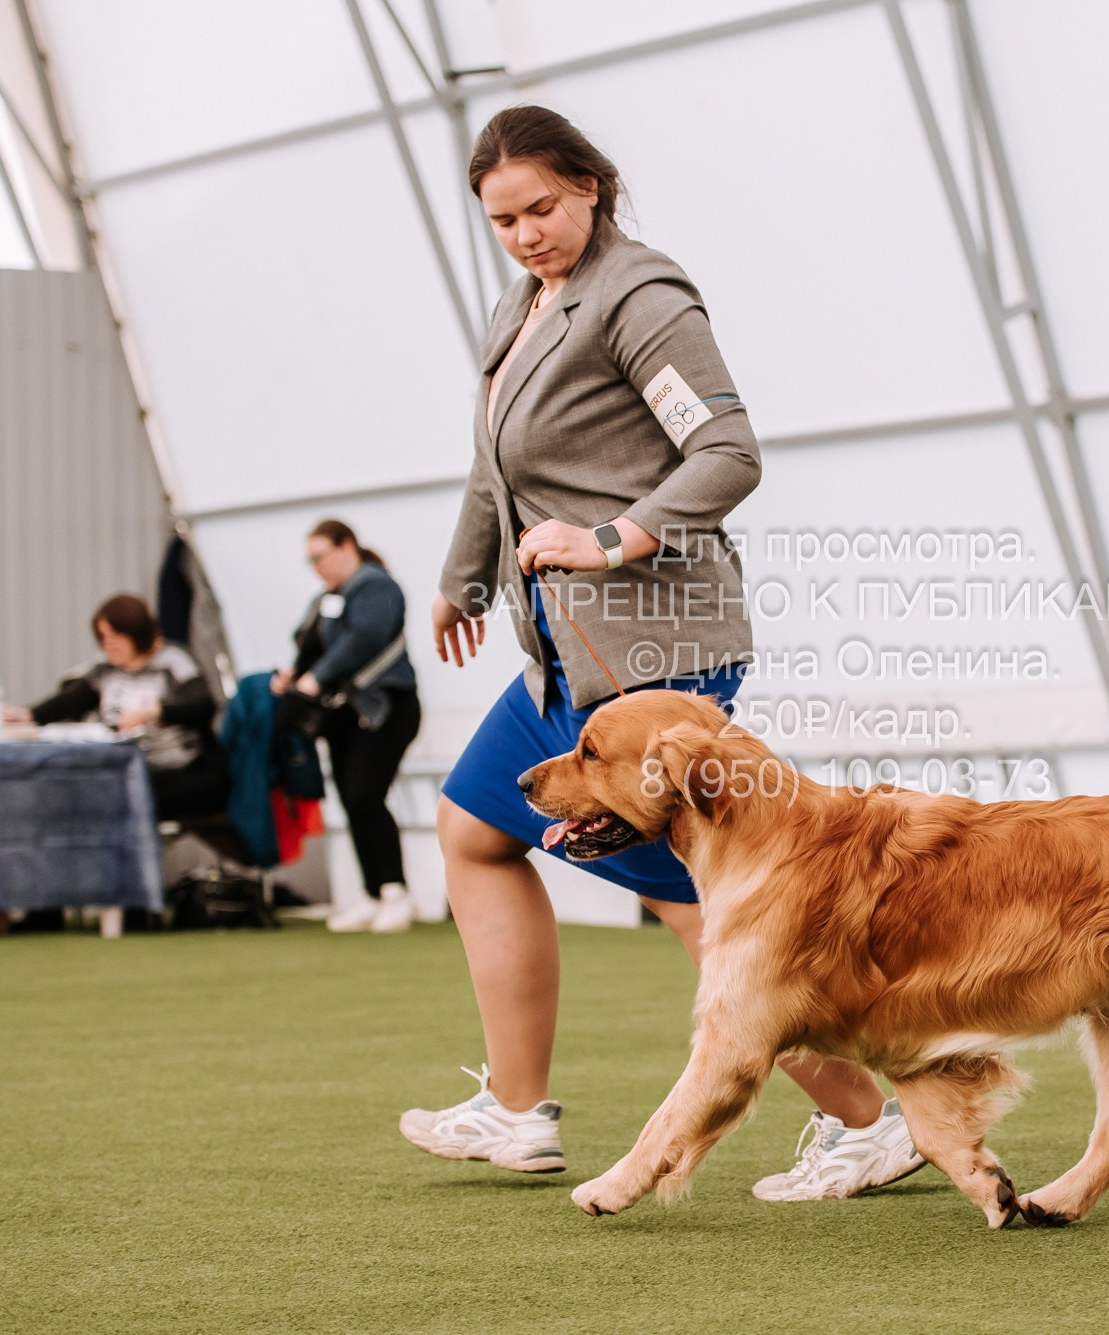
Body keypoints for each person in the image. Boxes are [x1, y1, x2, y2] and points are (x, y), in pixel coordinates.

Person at [400, 105, 922, 1201]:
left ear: (592, 185)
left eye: (542, 206)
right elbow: (493, 469)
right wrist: (462, 577)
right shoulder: (524, 306)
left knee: (707, 913)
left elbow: (727, 453)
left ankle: (878, 1122)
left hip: (660, 658)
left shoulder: (640, 299)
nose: (527, 233)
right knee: (474, 829)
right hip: (566, 663)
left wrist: (608, 538)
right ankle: (515, 1107)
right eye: (503, 219)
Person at [273, 519, 421, 934]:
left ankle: (396, 892)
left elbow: (365, 638)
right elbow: (308, 645)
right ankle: (373, 894)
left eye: (320, 556)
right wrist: (293, 674)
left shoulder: (376, 586)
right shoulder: (325, 599)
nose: (316, 566)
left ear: (346, 546)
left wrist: (316, 677)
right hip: (341, 717)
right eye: (310, 560)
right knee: (351, 800)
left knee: (365, 796)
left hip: (384, 708)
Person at [13, 593, 231, 821]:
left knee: (121, 796)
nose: (109, 645)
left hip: (182, 770)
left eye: (116, 636)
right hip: (127, 767)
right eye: (103, 638)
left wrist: (156, 712)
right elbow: (73, 699)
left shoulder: (175, 662)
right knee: (78, 788)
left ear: (136, 633)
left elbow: (202, 707)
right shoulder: (106, 667)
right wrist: (29, 714)